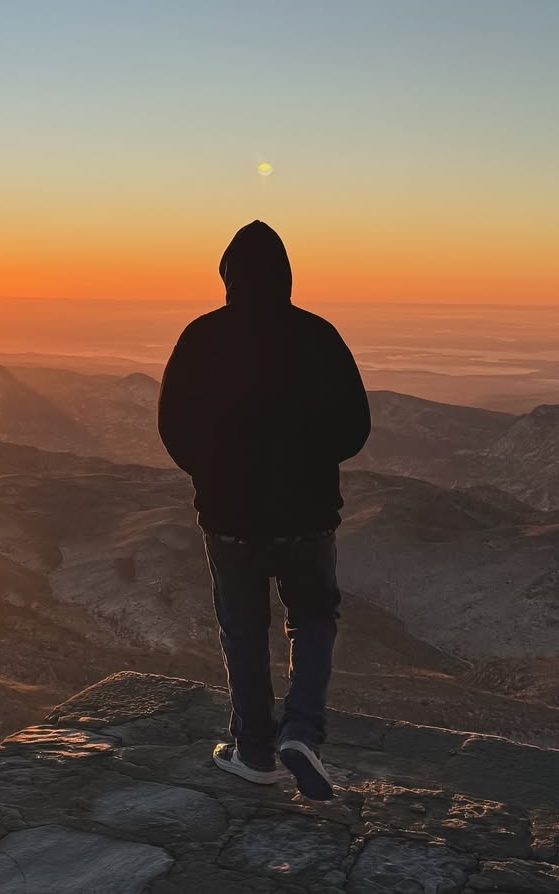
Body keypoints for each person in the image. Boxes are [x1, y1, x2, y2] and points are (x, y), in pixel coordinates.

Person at [156, 220, 370, 800]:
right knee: (314, 619)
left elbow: (173, 427)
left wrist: (214, 472)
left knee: (244, 630)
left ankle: (253, 750)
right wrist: (309, 458)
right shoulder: (319, 336)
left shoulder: (202, 337)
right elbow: (355, 430)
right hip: (308, 516)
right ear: (286, 276)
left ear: (227, 276)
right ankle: (301, 731)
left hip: (229, 518)